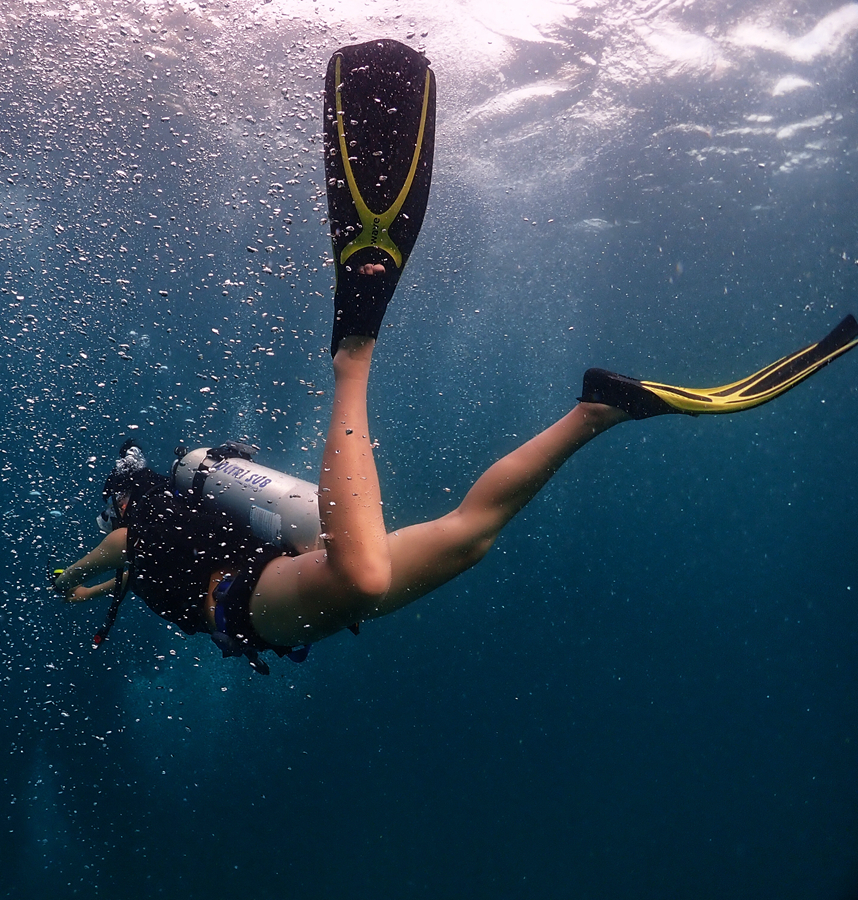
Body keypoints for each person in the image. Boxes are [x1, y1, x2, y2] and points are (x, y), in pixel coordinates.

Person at [49, 39, 857, 671]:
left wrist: (74, 568)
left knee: (363, 577)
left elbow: (127, 544)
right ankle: (597, 411)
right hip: (273, 566)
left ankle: (352, 356)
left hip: (253, 598)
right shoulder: (168, 514)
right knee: (469, 536)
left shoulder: (143, 516)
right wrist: (83, 583)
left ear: (126, 499)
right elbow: (128, 562)